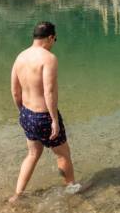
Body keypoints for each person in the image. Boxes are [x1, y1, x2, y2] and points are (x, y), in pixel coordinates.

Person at [9, 21, 80, 202]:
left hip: (26, 113)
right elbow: (49, 92)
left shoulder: (20, 57)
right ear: (50, 37)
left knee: (32, 154)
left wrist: (22, 112)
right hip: (44, 115)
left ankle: (17, 195)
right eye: (55, 39)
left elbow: (15, 91)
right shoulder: (48, 59)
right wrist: (54, 119)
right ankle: (72, 190)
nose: (54, 42)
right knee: (63, 154)